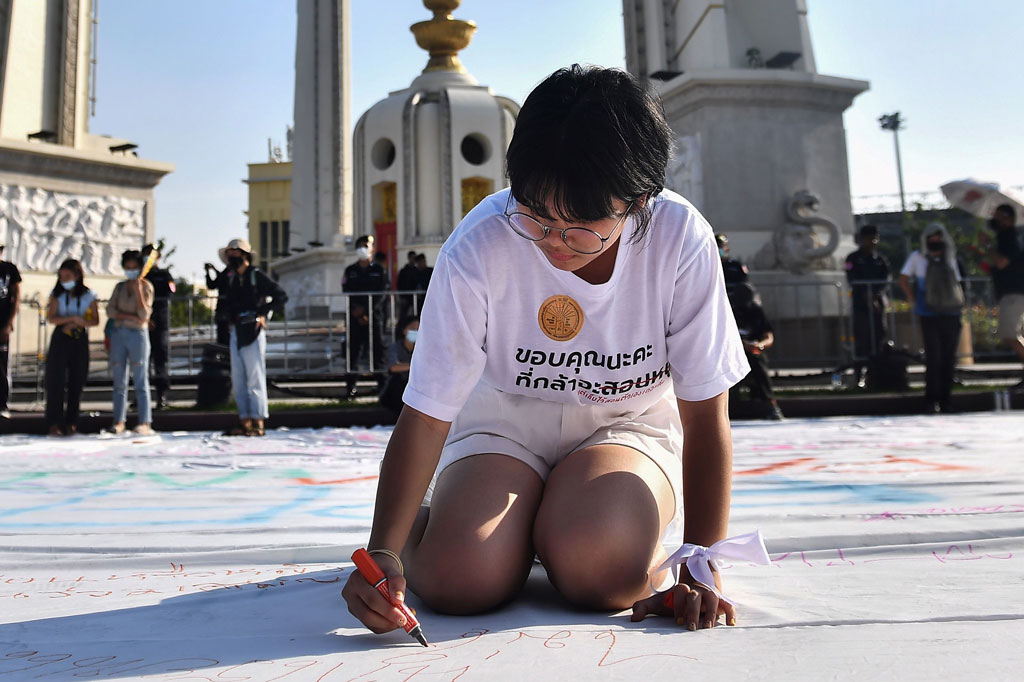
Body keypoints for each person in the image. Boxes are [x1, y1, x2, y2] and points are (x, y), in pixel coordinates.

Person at [341, 65, 750, 635]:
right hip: (504, 423)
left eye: (581, 226)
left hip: (623, 425)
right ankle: (452, 526)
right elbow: (428, 411)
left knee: (603, 573)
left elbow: (706, 414)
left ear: (639, 199)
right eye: (534, 216)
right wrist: (382, 551)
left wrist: (702, 565)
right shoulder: (482, 242)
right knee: (460, 579)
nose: (554, 244)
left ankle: (572, 523)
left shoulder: (678, 239)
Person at [218, 238, 288, 437]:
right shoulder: (232, 279)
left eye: (236, 253)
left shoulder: (257, 276)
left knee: (255, 378)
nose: (232, 258)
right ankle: (244, 421)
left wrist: (262, 313)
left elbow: (281, 296)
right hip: (237, 332)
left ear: (245, 255)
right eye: (229, 254)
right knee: (239, 378)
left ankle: (258, 422)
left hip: (254, 333)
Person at [898, 224, 964, 413]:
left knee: (948, 358)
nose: (935, 243)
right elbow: (903, 278)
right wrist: (914, 300)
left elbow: (957, 284)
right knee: (934, 358)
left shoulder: (950, 257)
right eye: (931, 239)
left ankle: (946, 400)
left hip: (951, 312)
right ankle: (931, 400)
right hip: (929, 313)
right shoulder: (918, 257)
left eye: (938, 238)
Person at [44, 259, 98, 435]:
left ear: (77, 275)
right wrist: (70, 320)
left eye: (67, 276)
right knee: (55, 380)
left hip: (79, 337)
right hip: (61, 337)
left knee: (77, 380)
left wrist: (78, 322)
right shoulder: (57, 294)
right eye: (61, 276)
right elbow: (52, 317)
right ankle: (54, 422)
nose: (64, 280)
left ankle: (71, 421)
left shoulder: (88, 295)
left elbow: (94, 320)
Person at [106, 250, 155, 435]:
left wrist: (138, 291)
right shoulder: (119, 287)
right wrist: (129, 316)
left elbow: (144, 315)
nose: (131, 270)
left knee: (141, 379)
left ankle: (145, 421)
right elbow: (111, 311)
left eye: (134, 267)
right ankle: (119, 420)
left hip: (138, 336)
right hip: (119, 333)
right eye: (128, 267)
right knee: (119, 380)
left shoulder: (147, 286)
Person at [728, 283, 783, 420]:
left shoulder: (756, 311)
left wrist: (759, 346)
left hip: (753, 352)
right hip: (732, 352)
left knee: (758, 363)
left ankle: (771, 404)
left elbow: (768, 337)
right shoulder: (729, 311)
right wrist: (740, 344)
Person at [844, 224, 891, 384]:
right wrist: (866, 295)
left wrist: (876, 295)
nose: (872, 242)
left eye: (874, 238)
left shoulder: (880, 260)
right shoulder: (852, 259)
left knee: (878, 338)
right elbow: (851, 278)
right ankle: (859, 375)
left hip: (877, 305)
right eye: (868, 238)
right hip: (860, 305)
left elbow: (886, 280)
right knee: (861, 340)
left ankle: (875, 375)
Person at [342, 235, 387, 396]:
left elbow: (382, 294)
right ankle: (351, 387)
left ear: (372, 249)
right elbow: (346, 291)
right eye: (360, 246)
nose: (363, 249)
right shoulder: (350, 271)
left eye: (366, 246)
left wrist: (367, 311)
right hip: (355, 318)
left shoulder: (379, 270)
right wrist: (357, 311)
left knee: (378, 352)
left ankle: (382, 387)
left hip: (373, 318)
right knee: (353, 352)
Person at [986, 204, 1024, 389]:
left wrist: (987, 245)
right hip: (1011, 292)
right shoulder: (1005, 237)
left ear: (1008, 218)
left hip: (1015, 293)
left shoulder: (1010, 238)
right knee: (1014, 334)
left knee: (1009, 334)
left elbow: (1002, 262)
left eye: (999, 216)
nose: (995, 219)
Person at [142, 244, 175, 409]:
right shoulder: (141, 276)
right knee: (143, 362)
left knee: (160, 359)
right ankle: (143, 395)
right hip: (143, 323)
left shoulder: (164, 274)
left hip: (160, 322)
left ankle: (161, 395)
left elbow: (170, 292)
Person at [378, 314, 419, 413]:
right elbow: (393, 367)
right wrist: (414, 366)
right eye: (412, 328)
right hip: (395, 390)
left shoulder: (421, 349)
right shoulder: (395, 347)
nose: (416, 331)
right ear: (404, 330)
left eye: (418, 329)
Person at [0, 242, 21, 419]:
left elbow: (16, 296)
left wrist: (9, 323)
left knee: (2, 366)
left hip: (2, 325)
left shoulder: (9, 270)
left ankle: (2, 403)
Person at [204, 260, 231, 346]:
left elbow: (224, 279)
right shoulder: (225, 272)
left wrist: (215, 270)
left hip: (231, 310)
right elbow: (212, 285)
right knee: (221, 336)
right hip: (222, 309)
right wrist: (208, 272)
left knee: (228, 336)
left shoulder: (236, 273)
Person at [397, 250, 420, 319]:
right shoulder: (403, 271)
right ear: (409, 258)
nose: (413, 260)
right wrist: (402, 296)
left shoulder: (417, 271)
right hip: (405, 297)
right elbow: (399, 284)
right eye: (412, 258)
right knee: (403, 316)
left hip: (415, 298)